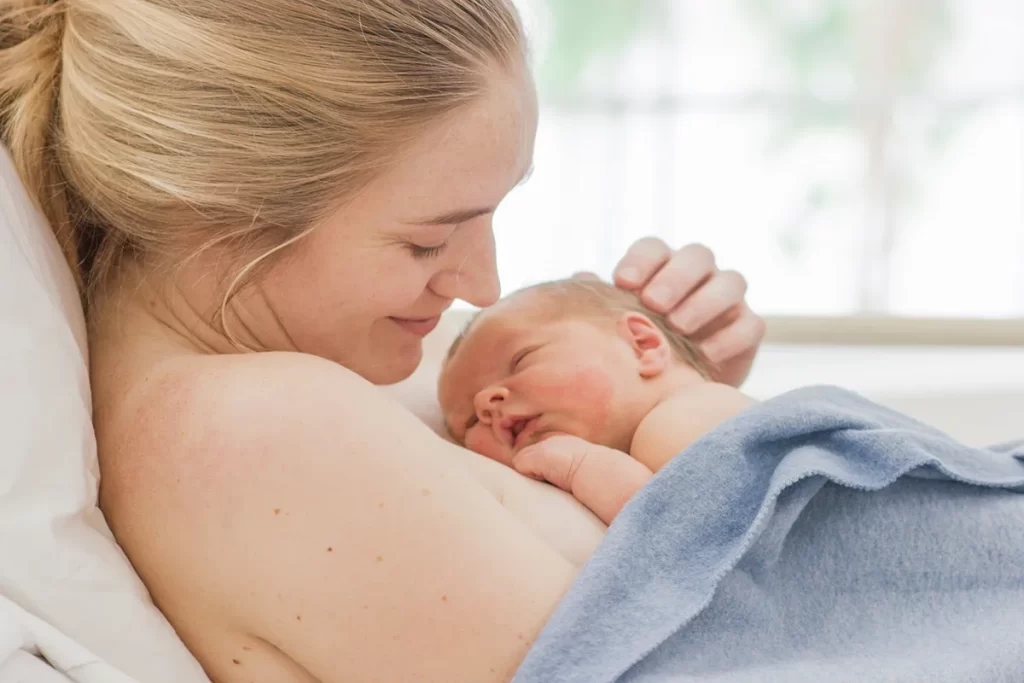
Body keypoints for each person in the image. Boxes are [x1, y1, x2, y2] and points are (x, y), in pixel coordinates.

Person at [0, 1, 766, 681]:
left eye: (493, 213)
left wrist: (674, 414)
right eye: (429, 242)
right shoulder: (254, 436)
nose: (483, 282)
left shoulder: (314, 369)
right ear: (224, 220)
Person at [439, 279, 756, 525]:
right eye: (470, 423)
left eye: (520, 360)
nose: (485, 403)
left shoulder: (687, 414)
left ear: (642, 345)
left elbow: (700, 536)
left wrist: (583, 468)